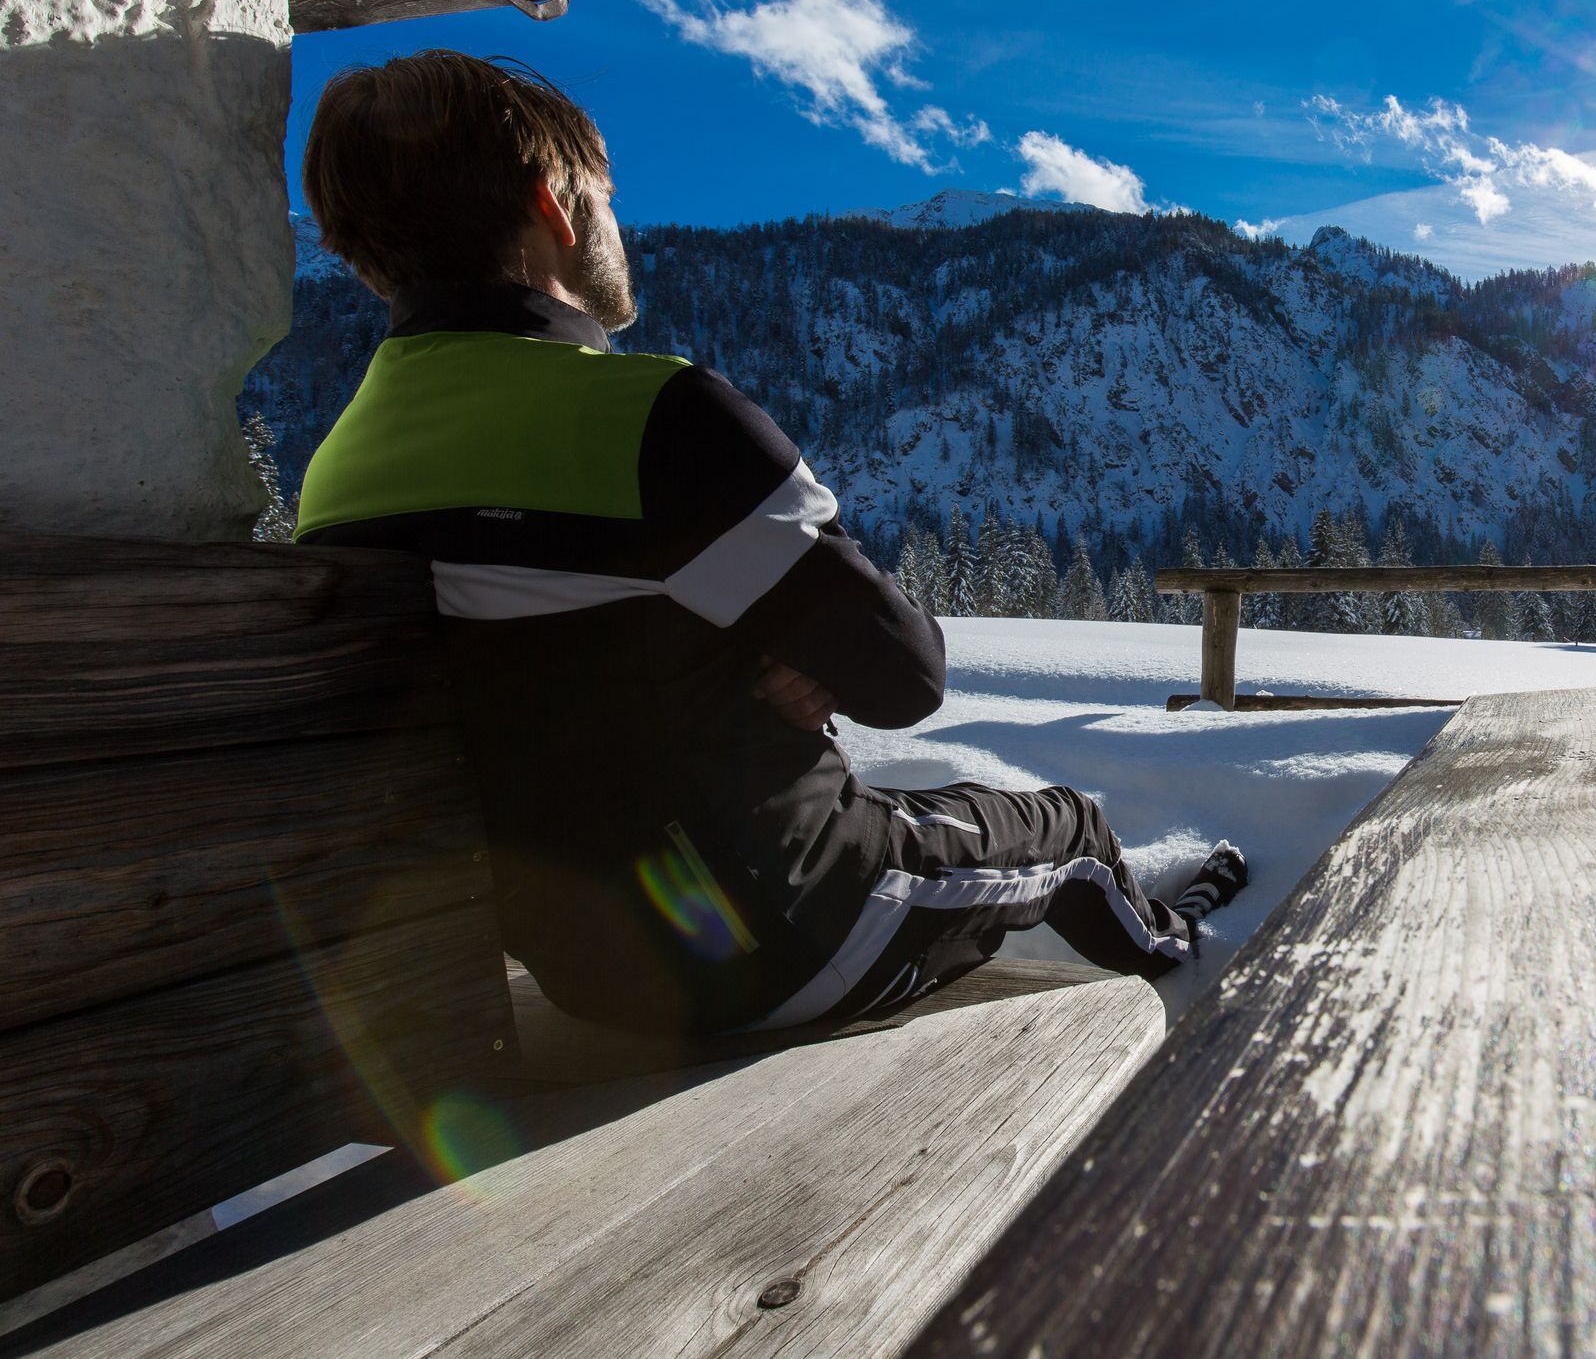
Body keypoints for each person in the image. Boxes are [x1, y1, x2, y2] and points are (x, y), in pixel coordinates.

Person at [292, 50, 1247, 1035]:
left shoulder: (338, 473)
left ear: (369, 260)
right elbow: (905, 674)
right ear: (554, 207)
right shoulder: (653, 420)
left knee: (923, 809)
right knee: (1072, 830)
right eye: (604, 196)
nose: (615, 221)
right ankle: (1182, 953)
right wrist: (785, 641)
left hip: (593, 970)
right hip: (801, 940)